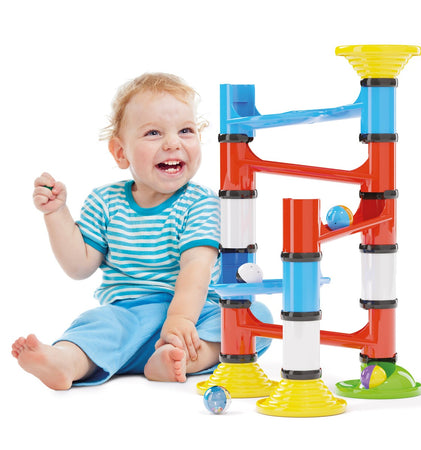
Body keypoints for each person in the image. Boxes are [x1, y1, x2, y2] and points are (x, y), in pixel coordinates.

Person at [11, 73, 271, 390]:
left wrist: (180, 320)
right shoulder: (104, 202)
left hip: (195, 315)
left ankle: (181, 358)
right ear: (121, 153)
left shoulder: (201, 203)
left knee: (254, 317)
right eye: (153, 133)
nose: (173, 143)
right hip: (127, 316)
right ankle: (65, 362)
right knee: (97, 324)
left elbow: (197, 267)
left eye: (186, 130)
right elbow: (79, 267)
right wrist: (56, 214)